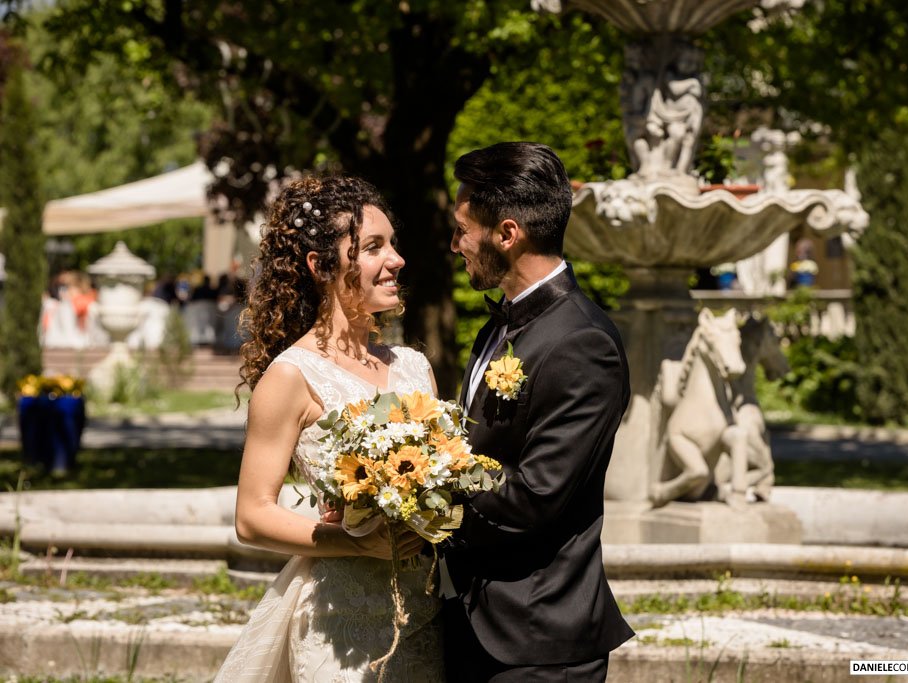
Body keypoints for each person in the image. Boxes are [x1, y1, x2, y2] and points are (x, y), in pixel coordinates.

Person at [215, 175, 445, 682]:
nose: (397, 259)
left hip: (426, 615)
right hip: (339, 625)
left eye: (393, 244)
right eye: (372, 247)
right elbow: (252, 517)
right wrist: (355, 542)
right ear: (321, 267)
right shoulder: (290, 376)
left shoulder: (413, 366)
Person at [442, 142, 634, 681]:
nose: (455, 245)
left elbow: (535, 495)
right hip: (473, 617)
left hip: (536, 641)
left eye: (462, 229)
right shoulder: (498, 325)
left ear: (507, 233)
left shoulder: (582, 343)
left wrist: (424, 475)